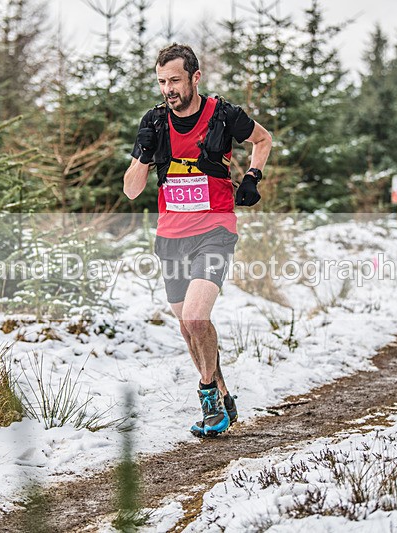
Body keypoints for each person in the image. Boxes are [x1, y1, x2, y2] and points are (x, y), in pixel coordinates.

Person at [123, 43, 272, 437]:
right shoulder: (155, 123)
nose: (168, 89)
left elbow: (263, 140)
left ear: (195, 77)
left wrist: (253, 177)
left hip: (215, 231)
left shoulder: (223, 114)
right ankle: (222, 393)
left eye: (175, 80)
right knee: (188, 328)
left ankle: (208, 401)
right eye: (161, 82)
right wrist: (143, 153)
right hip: (171, 237)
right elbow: (132, 191)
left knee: (195, 316)